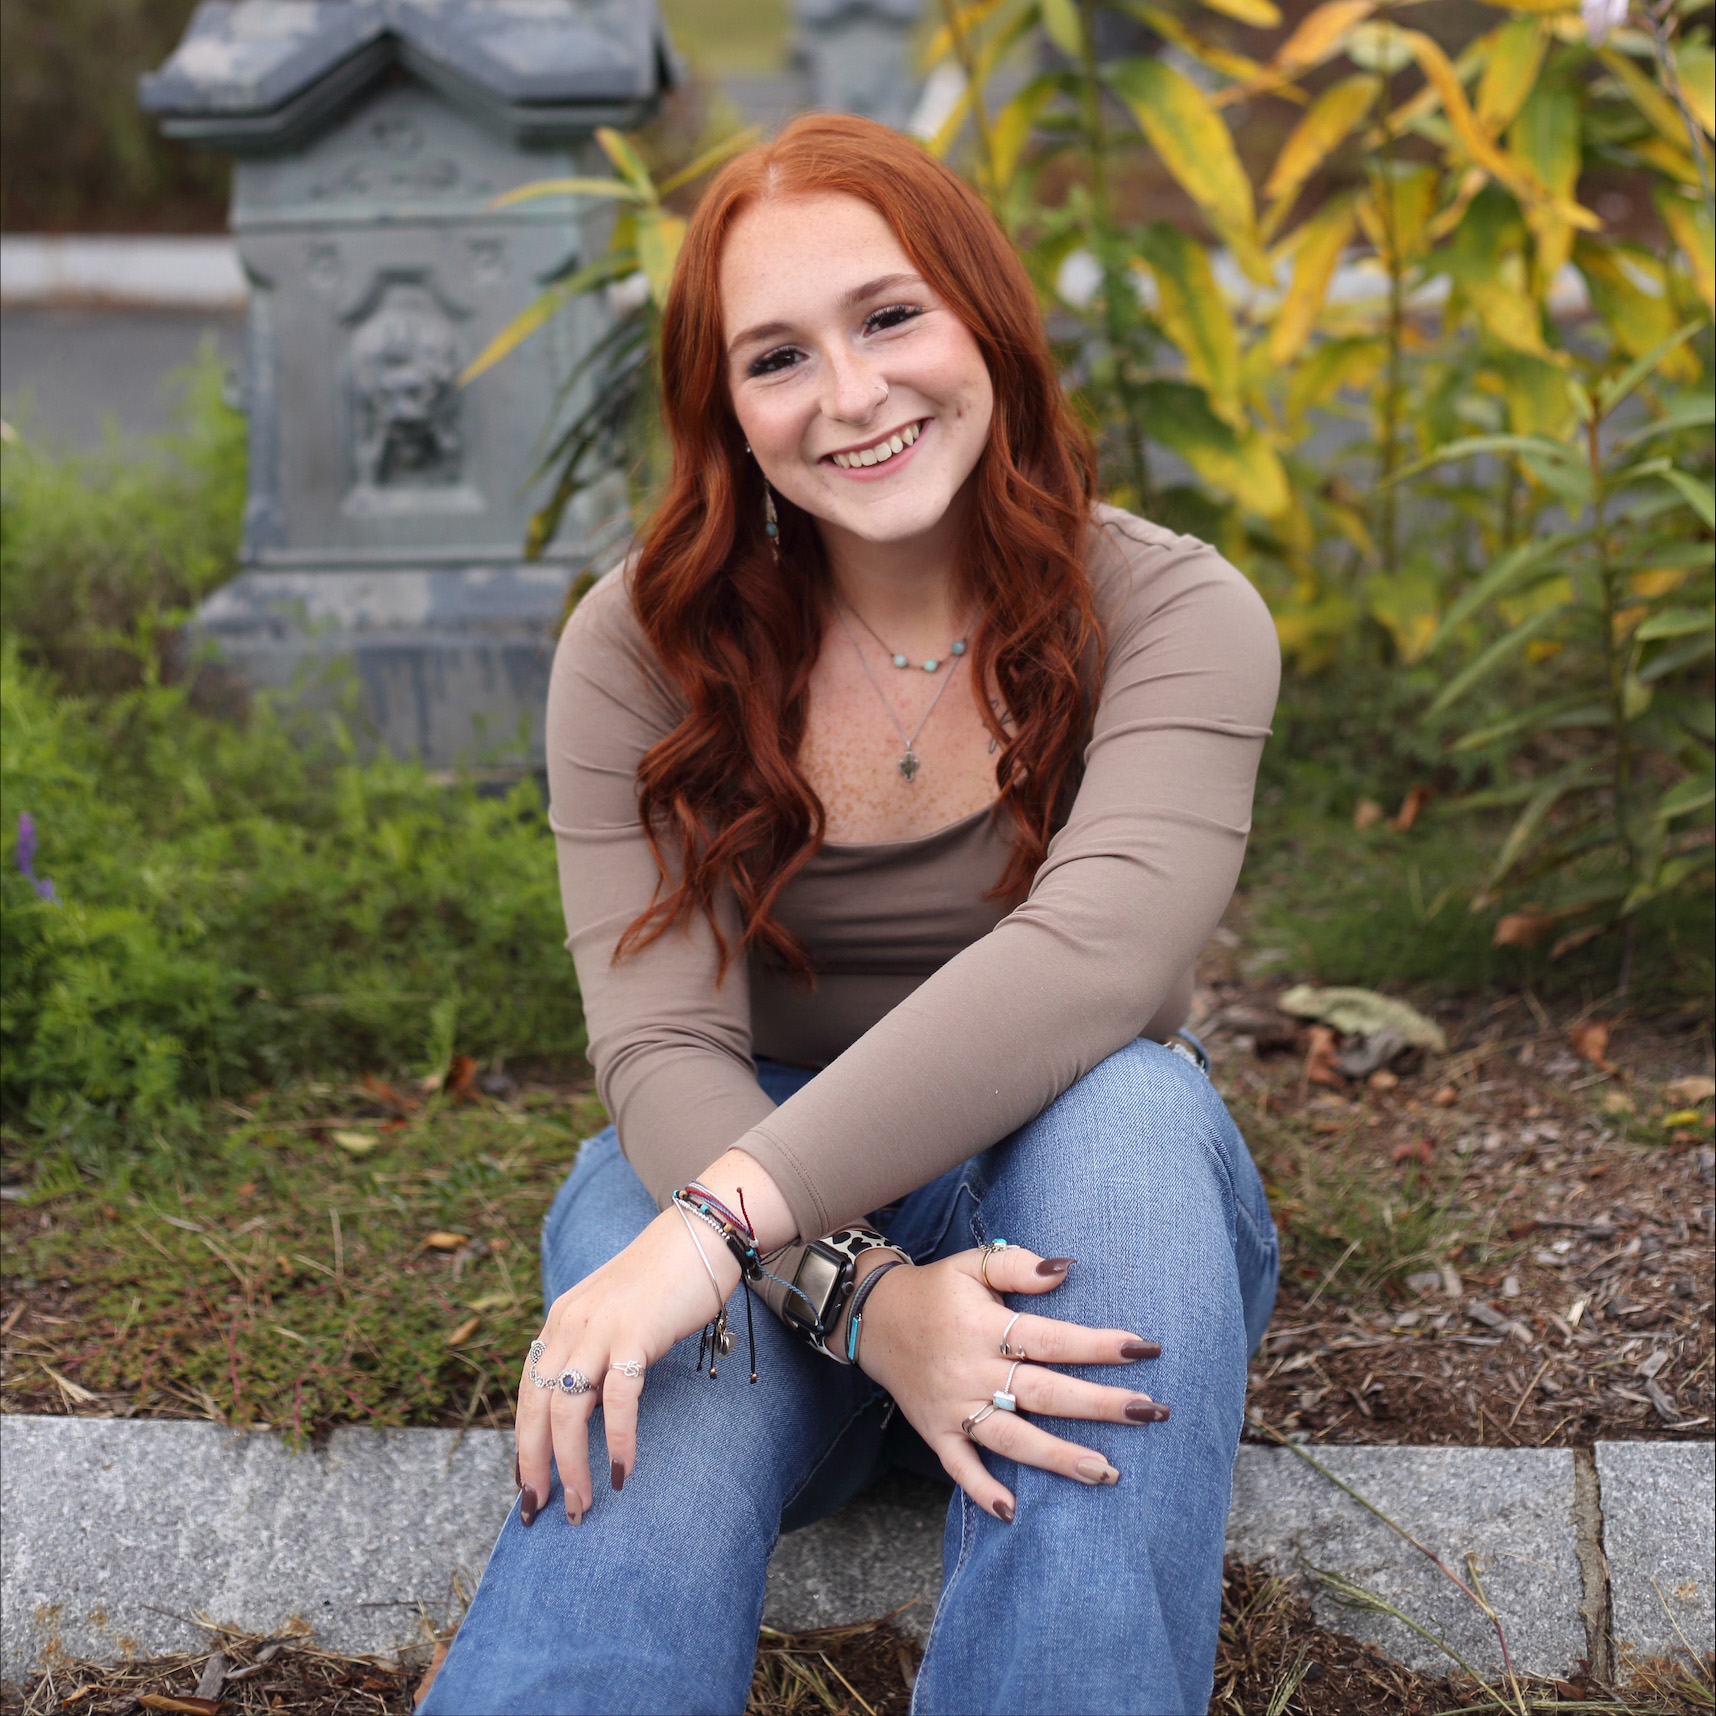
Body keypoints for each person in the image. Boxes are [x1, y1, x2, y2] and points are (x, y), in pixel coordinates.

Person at [421, 112, 1280, 1716]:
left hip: (1075, 1201)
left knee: (1138, 1106)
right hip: (739, 1194)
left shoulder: (1173, 614)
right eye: (777, 358)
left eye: (889, 316)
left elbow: (1096, 955)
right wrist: (858, 1299)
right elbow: (666, 1044)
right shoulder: (640, 651)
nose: (854, 396)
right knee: (631, 1438)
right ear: (727, 417)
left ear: (985, 321)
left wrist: (713, 1232)